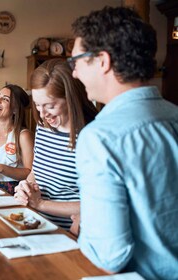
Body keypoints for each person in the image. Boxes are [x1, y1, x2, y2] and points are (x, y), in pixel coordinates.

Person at [71, 6, 178, 278]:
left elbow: (110, 256)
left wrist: (86, 227)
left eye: (77, 62)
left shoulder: (100, 138)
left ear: (102, 61)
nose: (74, 74)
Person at [14, 59, 98, 231]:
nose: (43, 114)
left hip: (70, 234)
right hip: (37, 224)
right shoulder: (44, 127)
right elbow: (37, 172)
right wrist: (26, 187)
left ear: (71, 99)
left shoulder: (91, 136)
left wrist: (41, 204)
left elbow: (98, 204)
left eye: (50, 106)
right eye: (37, 105)